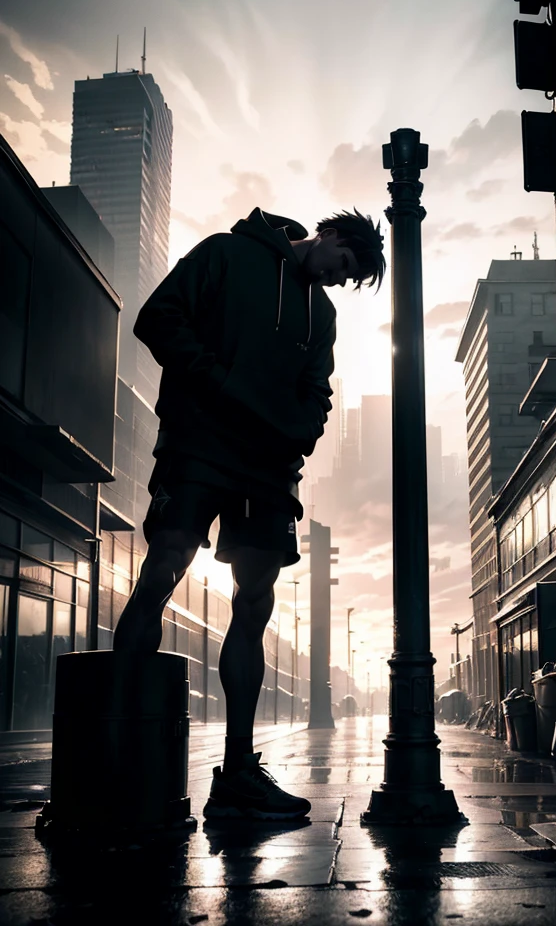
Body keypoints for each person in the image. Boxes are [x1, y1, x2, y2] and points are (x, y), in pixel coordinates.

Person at [112, 205, 385, 821]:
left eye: (348, 278)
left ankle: (238, 773)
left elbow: (318, 392)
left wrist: (298, 432)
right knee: (161, 575)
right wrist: (219, 381)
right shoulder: (227, 253)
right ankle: (119, 751)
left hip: (266, 470)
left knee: (254, 603)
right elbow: (158, 318)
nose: (339, 280)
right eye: (342, 265)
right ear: (331, 234)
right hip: (198, 445)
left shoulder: (323, 313)